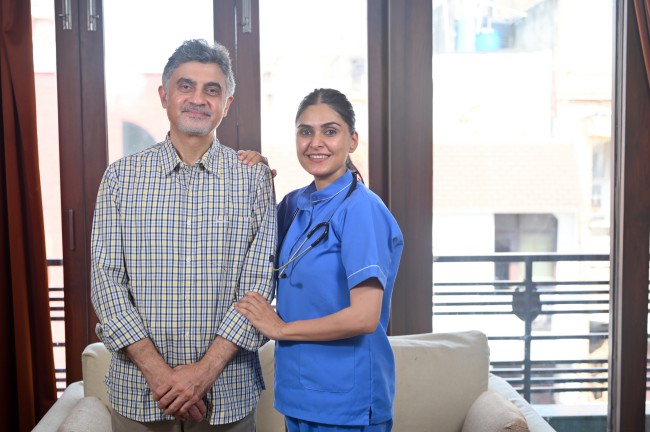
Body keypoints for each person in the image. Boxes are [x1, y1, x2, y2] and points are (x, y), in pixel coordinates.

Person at [90, 39, 276, 432]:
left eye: (213, 90)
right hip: (140, 393)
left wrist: (204, 373)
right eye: (185, 86)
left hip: (228, 394)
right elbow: (106, 281)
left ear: (226, 103)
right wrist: (159, 375)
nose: (198, 98)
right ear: (164, 95)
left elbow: (258, 285)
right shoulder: (121, 178)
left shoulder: (254, 180)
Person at [236, 88, 404, 432]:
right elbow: (247, 237)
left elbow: (364, 317)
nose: (316, 142)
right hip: (299, 393)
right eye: (305, 131)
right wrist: (253, 178)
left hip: (346, 402)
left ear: (352, 140)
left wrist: (280, 328)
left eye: (330, 131)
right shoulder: (295, 204)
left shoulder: (362, 210)